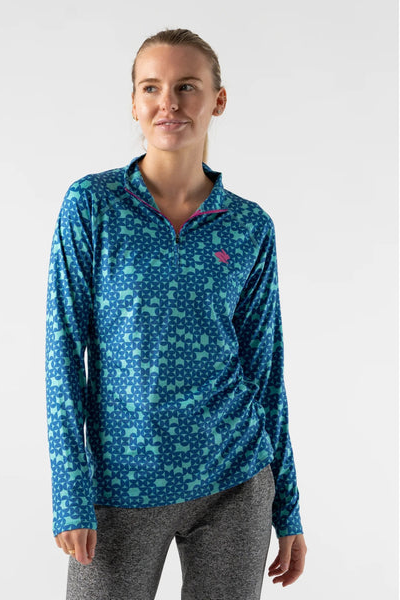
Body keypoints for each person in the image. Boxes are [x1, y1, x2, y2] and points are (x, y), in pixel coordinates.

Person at [45, 28, 307, 600]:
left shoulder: (249, 226)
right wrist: (70, 491)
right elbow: (62, 351)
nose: (169, 103)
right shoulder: (92, 205)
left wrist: (287, 506)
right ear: (134, 103)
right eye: (151, 87)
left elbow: (266, 371)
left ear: (218, 100)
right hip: (121, 484)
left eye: (187, 86)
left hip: (235, 481)